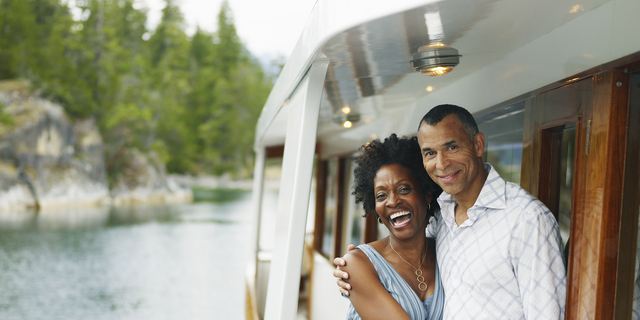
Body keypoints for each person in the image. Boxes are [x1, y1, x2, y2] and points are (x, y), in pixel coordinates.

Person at [335, 104, 567, 319]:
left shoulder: (527, 219)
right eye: (430, 153)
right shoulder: (442, 219)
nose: (442, 163)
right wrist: (356, 265)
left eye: (452, 147)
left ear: (478, 145)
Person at [342, 133, 444, 320]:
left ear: (427, 194)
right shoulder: (357, 264)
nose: (393, 201)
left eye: (404, 189)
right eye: (381, 195)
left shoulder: (445, 253)